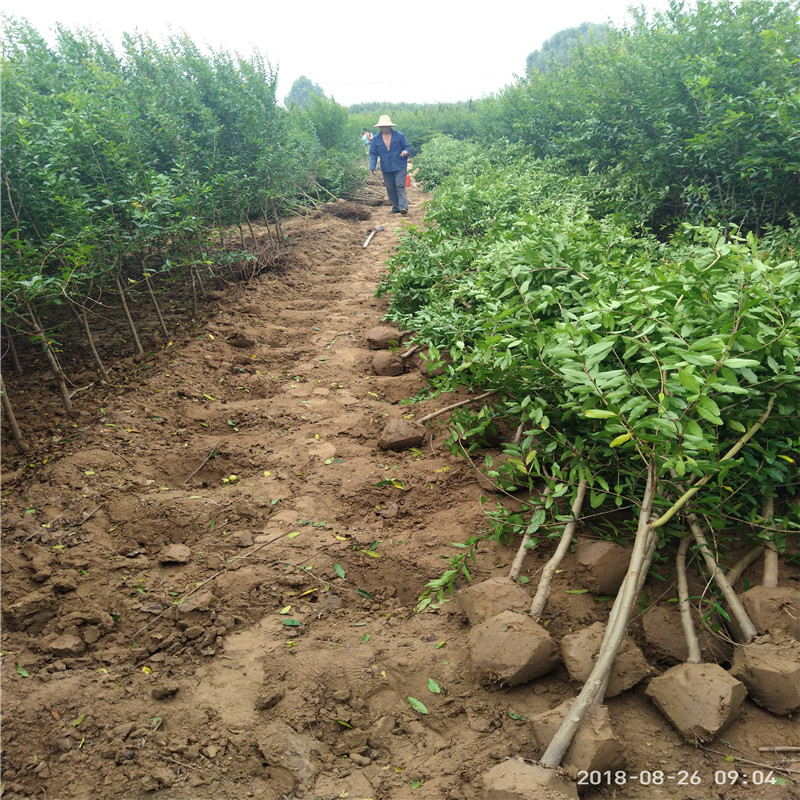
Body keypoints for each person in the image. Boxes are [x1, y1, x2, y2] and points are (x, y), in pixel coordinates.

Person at [368, 114, 412, 215]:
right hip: (386, 167)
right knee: (390, 188)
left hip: (399, 165)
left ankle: (403, 207)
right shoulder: (375, 139)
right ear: (380, 127)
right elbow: (373, 154)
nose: (385, 128)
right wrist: (372, 166)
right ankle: (396, 207)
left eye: (386, 126)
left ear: (390, 126)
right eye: (383, 126)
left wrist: (405, 151)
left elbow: (408, 147)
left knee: (400, 185)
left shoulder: (399, 136)